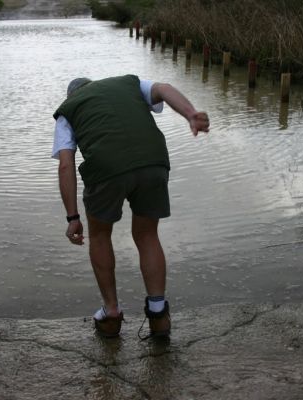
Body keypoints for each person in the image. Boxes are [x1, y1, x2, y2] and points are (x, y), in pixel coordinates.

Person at [52, 74, 209, 338]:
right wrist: (190, 114)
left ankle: (111, 313)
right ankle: (158, 314)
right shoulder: (127, 83)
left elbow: (66, 164)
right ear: (93, 85)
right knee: (147, 235)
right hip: (153, 160)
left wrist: (72, 217)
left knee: (100, 235)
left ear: (71, 96)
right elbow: (164, 89)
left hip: (106, 168)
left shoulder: (68, 110)